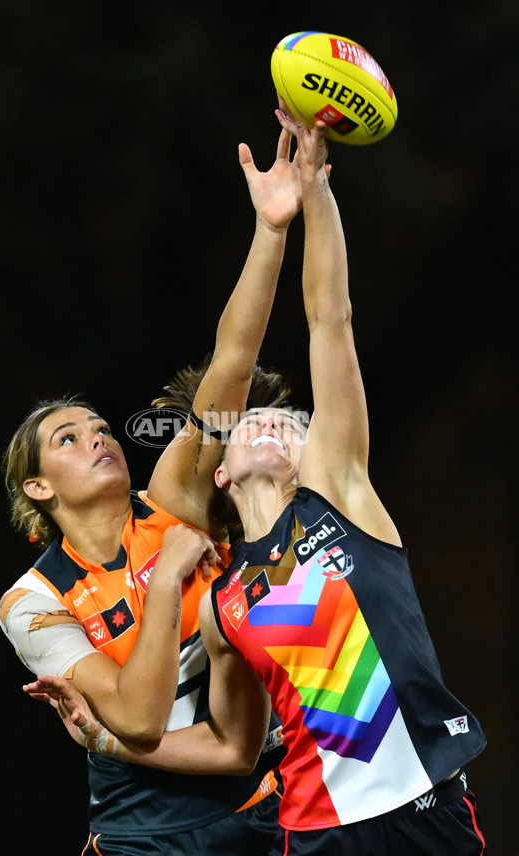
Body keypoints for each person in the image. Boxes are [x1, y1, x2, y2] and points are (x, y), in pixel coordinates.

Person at [31, 108, 489, 855]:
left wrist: (312, 196)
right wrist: (108, 745)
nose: (279, 423)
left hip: (428, 814)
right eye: (254, 423)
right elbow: (229, 750)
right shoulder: (223, 602)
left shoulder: (343, 501)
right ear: (220, 467)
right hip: (313, 835)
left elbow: (329, 320)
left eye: (296, 424)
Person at [0, 125, 310, 856]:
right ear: (37, 486)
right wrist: (168, 577)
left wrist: (270, 231)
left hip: (267, 806)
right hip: (147, 834)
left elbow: (232, 364)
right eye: (68, 439)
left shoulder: (170, 496)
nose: (98, 437)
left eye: (100, 426)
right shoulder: (32, 604)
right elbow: (137, 722)